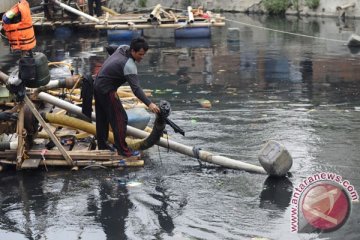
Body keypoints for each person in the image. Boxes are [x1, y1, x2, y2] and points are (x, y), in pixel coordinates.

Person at [94, 37, 160, 157]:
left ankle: (102, 146)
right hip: (107, 90)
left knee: (103, 118)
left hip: (97, 84)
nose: (142, 57)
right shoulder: (129, 65)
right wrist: (150, 104)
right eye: (140, 54)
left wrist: (110, 65)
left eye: (144, 54)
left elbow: (109, 48)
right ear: (133, 51)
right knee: (120, 118)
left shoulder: (122, 48)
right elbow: (136, 90)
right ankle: (123, 151)